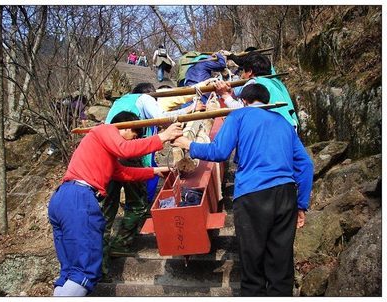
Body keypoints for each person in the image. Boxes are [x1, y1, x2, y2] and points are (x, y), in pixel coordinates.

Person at [172, 83, 314, 296]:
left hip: (252, 195)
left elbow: (219, 151)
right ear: (266, 101)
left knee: (252, 262)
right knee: (281, 264)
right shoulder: (284, 123)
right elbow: (306, 165)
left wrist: (188, 144)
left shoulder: (239, 116)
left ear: (244, 101)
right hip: (285, 195)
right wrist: (301, 205)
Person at [48, 110, 183, 296]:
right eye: (134, 135)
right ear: (125, 126)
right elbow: (124, 149)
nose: (132, 140)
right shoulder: (105, 129)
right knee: (84, 271)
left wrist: (154, 171)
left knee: (70, 270)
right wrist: (163, 137)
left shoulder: (102, 151)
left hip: (63, 198)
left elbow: (122, 173)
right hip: (79, 199)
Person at [102, 83, 204, 269]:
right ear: (151, 95)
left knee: (108, 207)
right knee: (139, 204)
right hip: (128, 155)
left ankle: (100, 259)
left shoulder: (119, 103)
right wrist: (190, 113)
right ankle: (120, 244)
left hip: (107, 156)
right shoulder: (144, 98)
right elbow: (162, 118)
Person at [214, 53, 299, 130]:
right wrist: (231, 93)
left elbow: (242, 109)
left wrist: (224, 95)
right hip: (290, 126)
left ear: (250, 72)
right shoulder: (276, 82)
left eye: (243, 71)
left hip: (276, 129)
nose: (242, 76)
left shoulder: (254, 82)